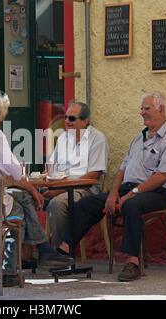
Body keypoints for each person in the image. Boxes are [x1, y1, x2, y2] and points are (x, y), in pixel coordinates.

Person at [56, 91, 166, 282]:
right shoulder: (138, 139)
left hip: (157, 192)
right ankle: (64, 251)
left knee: (131, 205)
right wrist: (114, 192)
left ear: (161, 109)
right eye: (141, 108)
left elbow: (162, 177)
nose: (141, 112)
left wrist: (130, 195)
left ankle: (133, 262)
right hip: (128, 189)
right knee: (87, 203)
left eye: (146, 108)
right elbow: (121, 171)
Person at [0, 90, 72, 287]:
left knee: (21, 196)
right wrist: (34, 190)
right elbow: (16, 172)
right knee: (18, 214)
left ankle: (42, 251)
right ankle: (13, 270)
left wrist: (29, 190)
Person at [45, 101, 109, 249]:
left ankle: (59, 253)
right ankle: (26, 254)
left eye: (72, 118)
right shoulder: (63, 138)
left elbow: (93, 177)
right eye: (66, 117)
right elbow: (50, 166)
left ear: (85, 121)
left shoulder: (97, 139)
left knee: (58, 204)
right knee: (23, 198)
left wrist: (60, 190)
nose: (67, 121)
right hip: (56, 186)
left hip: (83, 190)